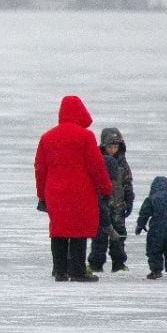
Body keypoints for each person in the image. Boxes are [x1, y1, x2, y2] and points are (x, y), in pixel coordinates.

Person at [34, 95, 111, 282]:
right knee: (79, 231)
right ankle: (77, 270)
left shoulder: (47, 137)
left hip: (55, 192)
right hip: (80, 192)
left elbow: (39, 167)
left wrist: (41, 194)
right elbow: (96, 166)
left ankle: (59, 270)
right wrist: (106, 188)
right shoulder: (85, 137)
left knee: (58, 230)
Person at [88, 127, 135, 273]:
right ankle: (96, 264)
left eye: (116, 147)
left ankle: (119, 264)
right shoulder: (97, 161)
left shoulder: (123, 164)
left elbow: (127, 184)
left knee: (119, 236)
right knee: (99, 237)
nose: (113, 149)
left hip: (118, 207)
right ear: (103, 146)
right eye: (110, 146)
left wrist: (129, 200)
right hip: (101, 206)